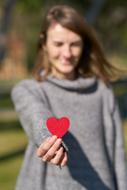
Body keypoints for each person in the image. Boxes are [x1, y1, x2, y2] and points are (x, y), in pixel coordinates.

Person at [11, 4, 127, 190]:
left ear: (83, 44)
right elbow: (36, 115)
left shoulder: (102, 92)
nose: (67, 53)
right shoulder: (29, 90)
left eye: (74, 44)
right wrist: (48, 139)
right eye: (58, 44)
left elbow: (117, 154)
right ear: (44, 43)